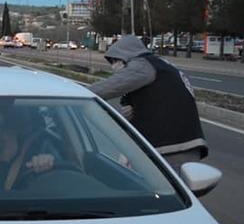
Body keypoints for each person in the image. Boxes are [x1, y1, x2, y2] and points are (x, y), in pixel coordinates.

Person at [88, 35, 208, 168]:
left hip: (170, 147)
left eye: (114, 61)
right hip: (183, 144)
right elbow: (155, 100)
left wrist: (78, 92)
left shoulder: (142, 65)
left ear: (124, 56)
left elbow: (109, 87)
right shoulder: (160, 65)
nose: (113, 66)